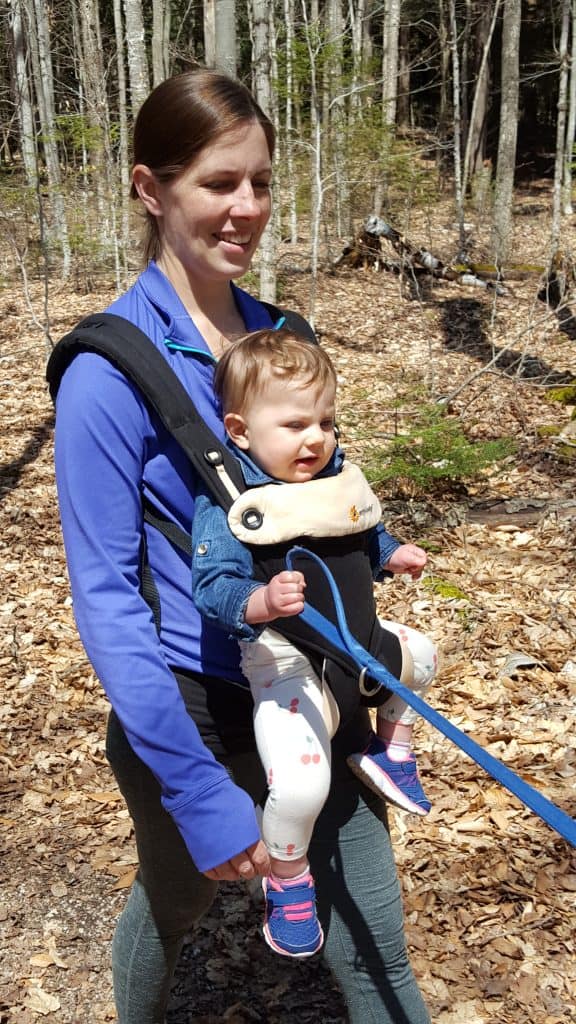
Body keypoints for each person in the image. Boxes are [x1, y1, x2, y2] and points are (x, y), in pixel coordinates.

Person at [52, 66, 433, 1024]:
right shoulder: (107, 370)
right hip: (193, 703)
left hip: (317, 678)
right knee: (177, 903)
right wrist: (194, 786)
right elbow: (105, 594)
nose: (247, 208)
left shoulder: (283, 339)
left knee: (377, 938)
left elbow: (322, 497)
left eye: (260, 182)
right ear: (151, 188)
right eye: (218, 183)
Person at [191, 328, 437, 959]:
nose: (316, 437)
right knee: (301, 786)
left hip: (360, 641)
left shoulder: (335, 474)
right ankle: (289, 878)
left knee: (425, 655)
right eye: (296, 423)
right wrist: (260, 602)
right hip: (285, 661)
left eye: (325, 421)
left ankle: (391, 747)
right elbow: (213, 585)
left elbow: (359, 530)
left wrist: (391, 555)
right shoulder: (231, 500)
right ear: (241, 431)